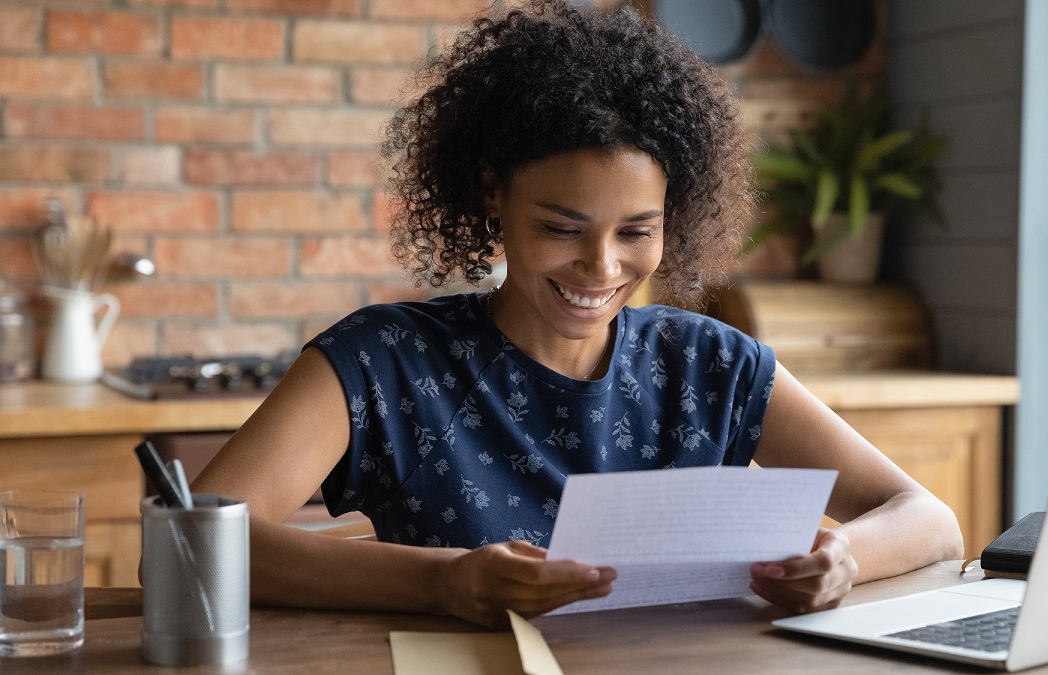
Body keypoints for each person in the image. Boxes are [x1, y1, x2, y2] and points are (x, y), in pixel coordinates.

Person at [192, 0, 962, 630]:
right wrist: (443, 583)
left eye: (636, 232)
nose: (601, 268)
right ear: (493, 196)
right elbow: (194, 540)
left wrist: (845, 557)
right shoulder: (384, 360)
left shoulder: (710, 365)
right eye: (561, 228)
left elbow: (928, 519)